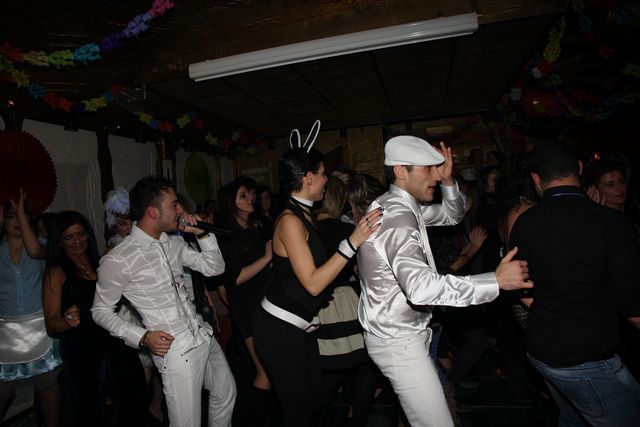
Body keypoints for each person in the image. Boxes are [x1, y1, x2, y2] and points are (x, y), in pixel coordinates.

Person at [356, 135, 532, 427]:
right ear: (401, 171)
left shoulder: (398, 204)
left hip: (400, 336)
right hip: (399, 342)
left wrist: (449, 181)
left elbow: (453, 215)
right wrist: (495, 281)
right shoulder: (397, 216)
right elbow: (420, 288)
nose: (436, 175)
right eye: (428, 168)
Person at [252, 120, 382, 427]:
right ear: (308, 178)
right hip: (278, 326)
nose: (326, 180)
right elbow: (312, 284)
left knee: (312, 401)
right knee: (299, 410)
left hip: (301, 325)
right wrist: (352, 242)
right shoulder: (290, 220)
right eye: (323, 174)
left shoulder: (304, 214)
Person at [509, 142, 640, 426]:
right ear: (579, 169)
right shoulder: (612, 223)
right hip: (586, 361)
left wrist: (553, 313)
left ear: (536, 179)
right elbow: (633, 306)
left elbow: (520, 286)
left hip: (542, 352)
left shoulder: (524, 222)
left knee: (573, 417)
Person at [92, 176, 236, 427]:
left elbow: (214, 268)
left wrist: (202, 233)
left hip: (202, 335)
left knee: (226, 393)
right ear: (152, 212)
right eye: (174, 204)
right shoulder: (119, 259)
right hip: (176, 351)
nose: (180, 210)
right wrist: (142, 337)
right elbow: (100, 310)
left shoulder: (173, 243)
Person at [42, 210, 147, 426]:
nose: (77, 241)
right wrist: (67, 321)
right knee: (91, 409)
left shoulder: (100, 263)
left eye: (81, 234)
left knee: (136, 393)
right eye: (69, 237)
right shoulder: (56, 272)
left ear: (88, 235)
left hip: (111, 335)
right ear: (59, 242)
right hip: (80, 345)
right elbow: (51, 321)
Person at [0, 193, 63, 427]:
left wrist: (20, 215)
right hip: (5, 330)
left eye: (23, 216)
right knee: (3, 388)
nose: (18, 220)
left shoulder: (42, 246)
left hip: (39, 327)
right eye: (11, 216)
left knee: (47, 384)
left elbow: (35, 251)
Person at [216, 179, 274, 424]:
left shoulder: (253, 227)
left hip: (264, 301)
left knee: (271, 369)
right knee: (265, 371)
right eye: (243, 195)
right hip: (247, 306)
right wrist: (267, 257)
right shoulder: (227, 235)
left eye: (250, 193)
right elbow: (236, 278)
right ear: (231, 203)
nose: (251, 197)